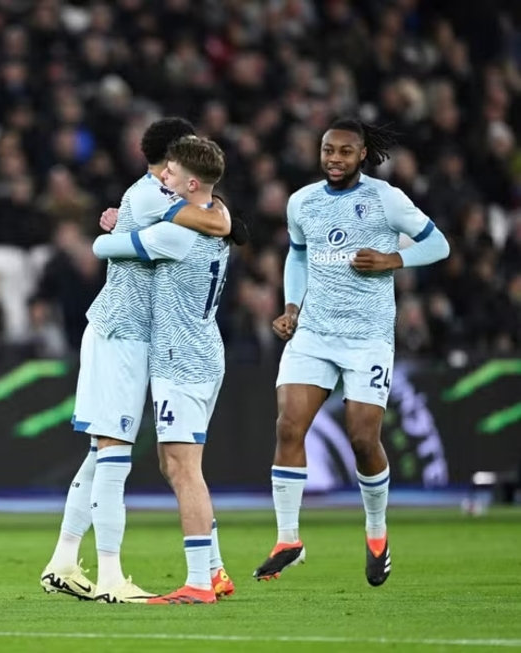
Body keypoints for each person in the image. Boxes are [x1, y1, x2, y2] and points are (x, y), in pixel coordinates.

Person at [39, 117, 232, 604]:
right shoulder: (152, 198)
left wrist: (111, 228)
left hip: (138, 336)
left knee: (102, 452)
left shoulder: (158, 199)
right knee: (114, 453)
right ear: (171, 161)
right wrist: (110, 234)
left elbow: (217, 215)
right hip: (123, 333)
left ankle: (64, 559)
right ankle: (109, 578)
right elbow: (216, 220)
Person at [254, 120, 450, 587]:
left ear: (362, 155)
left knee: (363, 439)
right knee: (287, 425)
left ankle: (377, 533)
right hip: (313, 334)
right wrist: (291, 307)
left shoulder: (387, 199)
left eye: (344, 151)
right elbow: (297, 255)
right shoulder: (302, 202)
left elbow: (438, 244)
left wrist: (391, 260)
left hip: (367, 338)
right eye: (327, 150)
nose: (334, 158)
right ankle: (288, 539)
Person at [92, 136, 235, 605]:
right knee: (173, 464)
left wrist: (115, 228)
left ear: (191, 182)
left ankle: (198, 583)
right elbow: (217, 214)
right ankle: (214, 571)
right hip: (201, 350)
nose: (162, 178)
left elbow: (105, 249)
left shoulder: (176, 234)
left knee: (183, 467)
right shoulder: (214, 221)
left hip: (180, 358)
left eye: (170, 173)